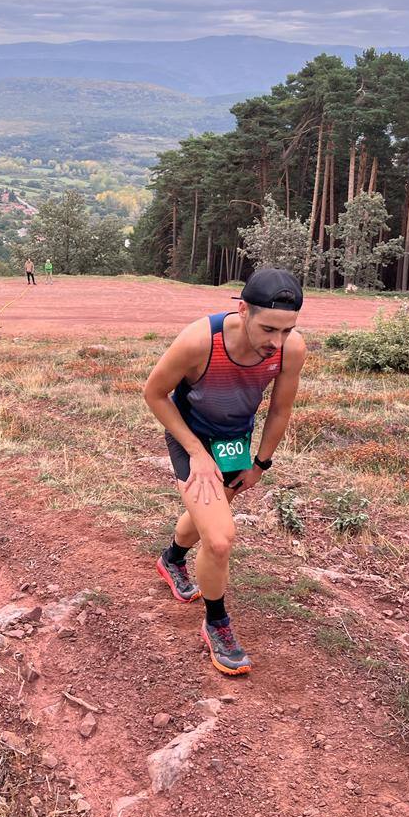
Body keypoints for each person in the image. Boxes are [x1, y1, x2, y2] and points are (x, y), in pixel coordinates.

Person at [143, 268, 306, 677]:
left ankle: (172, 559)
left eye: (287, 331)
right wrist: (196, 452)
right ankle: (216, 622)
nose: (277, 342)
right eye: (269, 328)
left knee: (205, 517)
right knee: (219, 539)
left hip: (235, 443)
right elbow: (154, 393)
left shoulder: (290, 350)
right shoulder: (201, 340)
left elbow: (281, 409)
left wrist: (260, 463)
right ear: (243, 309)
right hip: (190, 437)